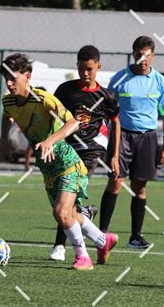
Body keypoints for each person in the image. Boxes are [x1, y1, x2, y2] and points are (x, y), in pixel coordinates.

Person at [0, 53, 118, 270]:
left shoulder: (44, 99)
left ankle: (83, 257)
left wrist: (50, 140)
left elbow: (73, 122)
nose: (8, 83)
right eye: (5, 78)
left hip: (67, 161)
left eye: (12, 78)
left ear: (27, 77)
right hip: (48, 166)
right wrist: (3, 142)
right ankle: (103, 240)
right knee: (70, 215)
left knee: (61, 213)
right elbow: (8, 117)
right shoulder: (7, 100)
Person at [98, 36, 164, 248]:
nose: (143, 59)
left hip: (148, 138)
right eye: (139, 54)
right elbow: (106, 110)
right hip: (121, 136)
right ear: (133, 55)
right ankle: (101, 234)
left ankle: (135, 236)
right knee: (115, 182)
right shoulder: (119, 79)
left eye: (147, 55)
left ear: (153, 56)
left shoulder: (160, 81)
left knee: (140, 187)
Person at [48, 45, 121, 261]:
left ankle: (61, 247)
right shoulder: (65, 90)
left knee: (66, 193)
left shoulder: (106, 96)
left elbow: (116, 123)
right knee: (65, 199)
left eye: (89, 69)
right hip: (68, 149)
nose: (85, 73)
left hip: (92, 149)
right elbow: (52, 114)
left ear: (99, 66)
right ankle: (96, 231)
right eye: (81, 69)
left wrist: (114, 155)